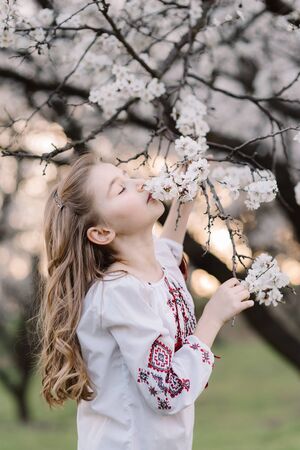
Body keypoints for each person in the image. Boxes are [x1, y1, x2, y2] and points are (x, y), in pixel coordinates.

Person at [36, 151, 254, 450]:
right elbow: (167, 390)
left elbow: (170, 245)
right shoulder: (118, 293)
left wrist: (187, 190)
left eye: (127, 177)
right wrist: (212, 318)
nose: (139, 183)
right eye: (120, 188)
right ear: (101, 232)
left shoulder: (158, 264)